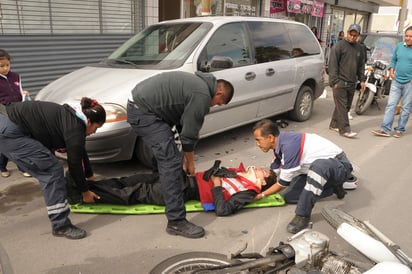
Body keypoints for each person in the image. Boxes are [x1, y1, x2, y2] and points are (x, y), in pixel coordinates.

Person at [127, 71, 234, 239]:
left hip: (147, 108)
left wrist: (183, 151)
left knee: (167, 153)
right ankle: (176, 221)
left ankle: (159, 187)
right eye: (218, 103)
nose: (214, 106)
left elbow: (180, 121)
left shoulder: (197, 83)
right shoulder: (202, 95)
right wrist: (189, 162)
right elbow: (189, 134)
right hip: (145, 113)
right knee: (171, 162)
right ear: (219, 93)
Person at [0, 97, 106, 239]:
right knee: (52, 171)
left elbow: (79, 150)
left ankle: (60, 202)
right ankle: (61, 225)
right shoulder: (75, 127)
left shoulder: (72, 116)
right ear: (90, 121)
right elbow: (74, 162)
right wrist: (85, 192)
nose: (94, 132)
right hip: (10, 131)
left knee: (47, 163)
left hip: (5, 118)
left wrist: (89, 175)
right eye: (96, 128)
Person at [253, 119, 355, 234]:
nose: (257, 144)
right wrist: (257, 183)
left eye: (258, 140)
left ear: (270, 138)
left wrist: (260, 196)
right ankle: (332, 187)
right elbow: (274, 172)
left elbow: (282, 183)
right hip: (318, 171)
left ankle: (303, 215)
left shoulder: (289, 146)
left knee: (318, 166)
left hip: (340, 166)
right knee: (288, 196)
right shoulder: (279, 144)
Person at [65, 162, 278, 216]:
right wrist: (217, 172)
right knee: (131, 180)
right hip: (182, 179)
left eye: (263, 171)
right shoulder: (238, 172)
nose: (258, 168)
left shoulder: (248, 192)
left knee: (136, 191)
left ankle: (89, 197)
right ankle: (83, 186)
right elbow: (211, 173)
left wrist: (216, 185)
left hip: (186, 191)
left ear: (263, 180)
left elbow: (223, 210)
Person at [371, 26, 412, 138]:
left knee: (406, 108)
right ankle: (385, 129)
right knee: (391, 105)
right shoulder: (399, 46)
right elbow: (393, 60)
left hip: (409, 83)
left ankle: (400, 129)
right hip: (396, 81)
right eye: (406, 36)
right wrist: (392, 71)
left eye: (410, 36)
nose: (408, 38)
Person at [328, 24, 366, 138]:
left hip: (351, 83)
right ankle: (344, 129)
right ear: (347, 32)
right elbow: (332, 65)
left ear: (358, 35)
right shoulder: (339, 47)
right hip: (339, 83)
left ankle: (334, 124)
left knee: (346, 106)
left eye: (355, 35)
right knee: (343, 108)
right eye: (351, 34)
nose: (353, 37)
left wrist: (362, 80)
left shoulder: (360, 48)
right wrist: (334, 82)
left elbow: (361, 66)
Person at [0, 49, 31, 178]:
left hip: (18, 111)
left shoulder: (16, 76)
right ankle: (2, 167)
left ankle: (22, 167)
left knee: (19, 140)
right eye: (1, 66)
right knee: (5, 141)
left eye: (7, 65)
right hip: (3, 113)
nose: (5, 68)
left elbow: (19, 90)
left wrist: (24, 94)